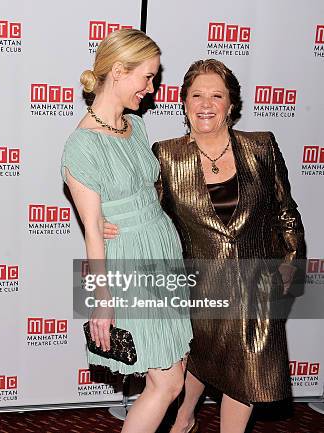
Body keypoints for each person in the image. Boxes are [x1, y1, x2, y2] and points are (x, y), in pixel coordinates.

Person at [104, 59, 306, 433]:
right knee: (202, 359)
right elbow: (146, 213)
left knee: (247, 369)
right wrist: (103, 219)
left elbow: (286, 212)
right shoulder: (165, 155)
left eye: (217, 95)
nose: (206, 103)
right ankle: (185, 418)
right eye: (197, 95)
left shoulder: (261, 146)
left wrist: (291, 267)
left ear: (232, 104)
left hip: (256, 286)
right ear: (183, 103)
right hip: (196, 285)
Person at [61, 29, 193, 433]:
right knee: (166, 382)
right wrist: (103, 300)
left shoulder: (135, 126)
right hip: (131, 263)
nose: (151, 89)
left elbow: (144, 190)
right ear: (118, 71)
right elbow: (94, 235)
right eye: (147, 77)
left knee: (173, 374)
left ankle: (182, 427)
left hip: (162, 251)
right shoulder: (81, 147)